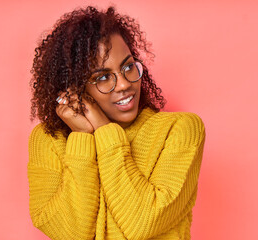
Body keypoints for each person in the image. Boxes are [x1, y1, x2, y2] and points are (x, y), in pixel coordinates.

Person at [27, 6, 206, 240]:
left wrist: (104, 130)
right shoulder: (49, 140)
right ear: (75, 88)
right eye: (102, 77)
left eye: (128, 67)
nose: (124, 84)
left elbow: (143, 222)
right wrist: (81, 137)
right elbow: (68, 234)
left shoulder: (179, 129)